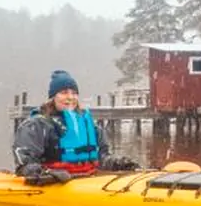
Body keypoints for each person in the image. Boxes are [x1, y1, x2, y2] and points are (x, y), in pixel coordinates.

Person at [12, 69, 140, 185]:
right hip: (56, 183)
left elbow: (102, 158)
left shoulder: (89, 125)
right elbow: (25, 163)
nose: (70, 97)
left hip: (89, 180)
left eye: (74, 93)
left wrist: (118, 164)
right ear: (52, 97)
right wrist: (47, 173)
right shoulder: (37, 125)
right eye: (63, 93)